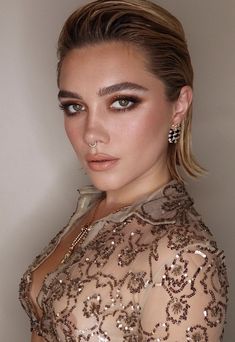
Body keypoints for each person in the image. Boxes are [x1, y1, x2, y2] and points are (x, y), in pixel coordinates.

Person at [19, 0, 229, 341]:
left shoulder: (184, 257)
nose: (91, 133)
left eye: (121, 102)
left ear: (178, 106)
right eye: (74, 107)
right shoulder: (94, 209)